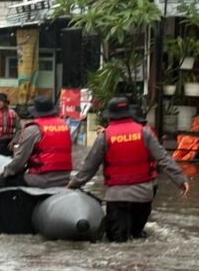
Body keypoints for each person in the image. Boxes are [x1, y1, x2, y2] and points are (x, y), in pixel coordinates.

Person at [67, 97, 190, 242]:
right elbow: (163, 158)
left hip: (118, 197)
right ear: (129, 113)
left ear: (110, 115)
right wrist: (181, 180)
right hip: (143, 197)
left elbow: (89, 168)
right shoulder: (144, 133)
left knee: (117, 243)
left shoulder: (105, 136)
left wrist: (72, 185)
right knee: (137, 237)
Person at [0, 95, 72, 188]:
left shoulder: (33, 129)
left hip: (43, 179)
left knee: (4, 181)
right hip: (65, 178)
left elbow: (19, 160)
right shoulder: (65, 126)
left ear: (36, 113)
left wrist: (6, 172)